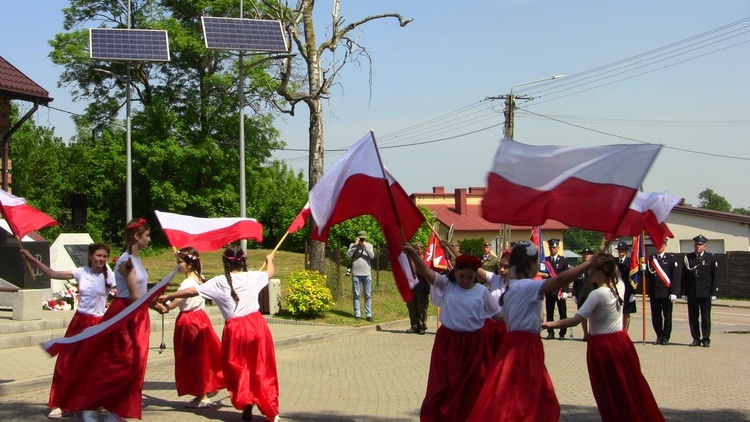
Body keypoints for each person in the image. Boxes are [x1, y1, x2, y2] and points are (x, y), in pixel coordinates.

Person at [468, 242, 600, 422]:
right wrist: (589, 264)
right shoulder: (526, 286)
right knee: (524, 396)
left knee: (513, 392)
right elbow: (559, 281)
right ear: (531, 265)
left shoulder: (512, 286)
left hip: (514, 343)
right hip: (524, 346)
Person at [50, 218, 164, 422]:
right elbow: (134, 295)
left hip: (137, 315)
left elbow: (141, 294)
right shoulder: (125, 261)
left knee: (134, 364)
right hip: (126, 314)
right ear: (136, 237)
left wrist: (156, 303)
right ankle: (96, 404)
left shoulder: (136, 260)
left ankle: (115, 409)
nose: (149, 239)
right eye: (147, 235)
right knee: (123, 363)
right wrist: (159, 299)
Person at [159, 245, 280, 422]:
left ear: (225, 262)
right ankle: (272, 410)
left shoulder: (218, 282)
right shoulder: (254, 276)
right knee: (262, 367)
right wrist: (269, 260)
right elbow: (270, 272)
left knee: (237, 368)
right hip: (257, 326)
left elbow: (192, 291)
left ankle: (245, 399)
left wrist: (169, 296)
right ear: (243, 260)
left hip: (235, 329)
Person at [541, 254, 665, 422]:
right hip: (622, 342)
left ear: (600, 273)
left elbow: (576, 320)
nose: (589, 274)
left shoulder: (597, 294)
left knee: (608, 392)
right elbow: (618, 273)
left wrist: (548, 324)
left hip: (602, 347)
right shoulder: (619, 286)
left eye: (592, 270)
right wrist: (604, 258)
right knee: (629, 386)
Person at [403, 244, 502, 422]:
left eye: (470, 277)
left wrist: (520, 322)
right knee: (442, 387)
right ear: (455, 271)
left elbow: (498, 316)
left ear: (475, 276)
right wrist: (413, 256)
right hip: (447, 343)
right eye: (462, 276)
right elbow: (427, 272)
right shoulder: (447, 284)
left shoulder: (481, 292)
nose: (465, 280)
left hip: (473, 346)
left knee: (468, 389)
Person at [21, 243, 115, 420]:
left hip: (98, 325)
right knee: (67, 362)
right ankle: (60, 404)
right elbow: (52, 274)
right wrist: (31, 259)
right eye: (98, 256)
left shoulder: (109, 276)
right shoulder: (81, 272)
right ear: (90, 256)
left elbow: (127, 292)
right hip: (79, 322)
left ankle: (99, 402)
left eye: (104, 256)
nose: (101, 259)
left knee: (98, 365)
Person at [162, 247, 225, 408]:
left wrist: (160, 305)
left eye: (180, 262)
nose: (177, 265)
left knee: (194, 358)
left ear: (189, 265)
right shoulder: (199, 277)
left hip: (189, 321)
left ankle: (203, 395)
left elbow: (175, 302)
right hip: (200, 318)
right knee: (202, 356)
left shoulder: (187, 283)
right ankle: (202, 392)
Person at [680, 234, 718, 347]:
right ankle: (696, 338)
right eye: (697, 244)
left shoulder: (710, 258)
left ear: (704, 246)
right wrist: (683, 292)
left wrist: (714, 292)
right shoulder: (688, 258)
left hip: (705, 292)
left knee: (705, 317)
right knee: (693, 317)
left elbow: (715, 276)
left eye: (700, 245)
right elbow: (684, 276)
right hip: (692, 292)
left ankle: (706, 339)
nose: (698, 247)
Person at [647, 238, 678, 345]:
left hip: (666, 292)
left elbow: (675, 276)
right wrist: (643, 269)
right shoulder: (651, 259)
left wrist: (674, 292)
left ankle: (666, 337)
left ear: (665, 246)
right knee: (656, 316)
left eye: (661, 245)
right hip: (654, 292)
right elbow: (648, 275)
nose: (659, 247)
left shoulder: (670, 259)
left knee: (667, 315)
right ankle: (659, 335)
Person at [544, 238, 570, 340]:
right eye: (550, 247)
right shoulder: (545, 261)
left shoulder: (563, 260)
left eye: (554, 247)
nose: (552, 249)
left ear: (558, 248)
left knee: (562, 313)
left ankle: (562, 333)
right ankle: (550, 332)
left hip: (560, 291)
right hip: (549, 291)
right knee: (549, 313)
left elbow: (566, 276)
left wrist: (566, 291)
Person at [347, 230, 375, 321]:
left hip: (366, 273)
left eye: (363, 238)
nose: (362, 240)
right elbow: (348, 255)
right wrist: (355, 245)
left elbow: (372, 256)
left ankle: (368, 314)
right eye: (360, 238)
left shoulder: (369, 245)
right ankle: (357, 314)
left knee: (367, 294)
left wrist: (364, 246)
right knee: (356, 294)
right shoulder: (353, 245)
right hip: (356, 273)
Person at [405, 241, 430, 335]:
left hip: (422, 288)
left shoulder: (425, 260)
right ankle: (414, 326)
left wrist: (428, 287)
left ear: (422, 249)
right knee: (412, 308)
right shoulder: (409, 259)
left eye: (419, 248)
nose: (417, 249)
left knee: (422, 308)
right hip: (411, 288)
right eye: (415, 247)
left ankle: (422, 326)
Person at [571, 247, 596, 341]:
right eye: (585, 254)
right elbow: (576, 282)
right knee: (582, 316)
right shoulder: (579, 266)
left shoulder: (594, 267)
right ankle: (585, 334)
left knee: (592, 316)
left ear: (591, 256)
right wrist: (574, 293)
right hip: (581, 294)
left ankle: (591, 333)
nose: (586, 256)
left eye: (588, 254)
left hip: (592, 293)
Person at [615, 241, 637, 331]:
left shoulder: (630, 262)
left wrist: (633, 293)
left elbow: (634, 278)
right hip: (616, 290)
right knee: (616, 312)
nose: (621, 251)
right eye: (620, 250)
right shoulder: (614, 261)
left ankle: (625, 332)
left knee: (626, 313)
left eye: (623, 250)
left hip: (627, 290)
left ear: (626, 251)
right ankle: (617, 331)